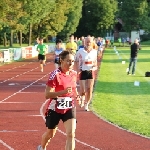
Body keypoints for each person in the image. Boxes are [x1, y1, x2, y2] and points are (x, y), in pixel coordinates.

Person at [37, 51, 79, 150]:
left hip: (69, 106)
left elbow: (74, 88)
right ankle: (42, 147)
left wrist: (77, 96)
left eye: (73, 61)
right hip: (55, 107)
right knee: (50, 133)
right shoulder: (55, 74)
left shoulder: (74, 73)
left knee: (71, 134)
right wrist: (62, 92)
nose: (71, 64)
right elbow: (47, 95)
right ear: (61, 60)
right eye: (68, 61)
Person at [75, 37, 97, 111]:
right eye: (87, 42)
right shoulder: (80, 51)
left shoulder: (94, 52)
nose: (88, 43)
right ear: (84, 42)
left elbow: (95, 63)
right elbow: (75, 60)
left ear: (92, 43)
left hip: (90, 71)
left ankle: (86, 104)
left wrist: (94, 67)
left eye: (90, 42)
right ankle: (82, 99)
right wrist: (78, 68)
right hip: (83, 71)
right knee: (83, 90)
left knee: (90, 89)